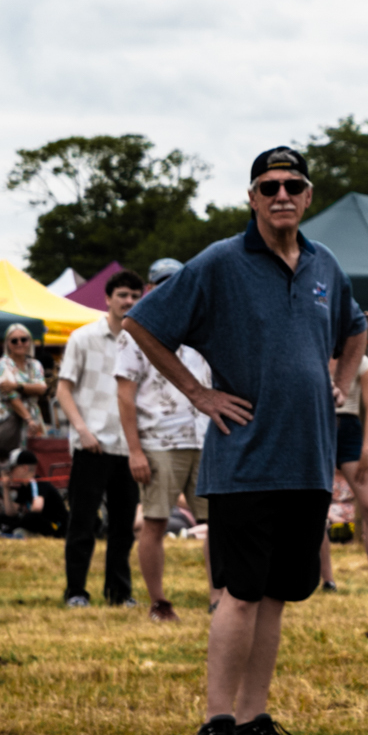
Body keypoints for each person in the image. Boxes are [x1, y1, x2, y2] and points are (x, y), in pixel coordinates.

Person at [124, 146, 367, 735]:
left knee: (279, 596)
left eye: (293, 185)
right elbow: (144, 323)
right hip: (246, 463)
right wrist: (199, 394)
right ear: (252, 198)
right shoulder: (220, 263)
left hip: (308, 460)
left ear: (308, 195)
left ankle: (255, 721)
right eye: (268, 186)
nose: (281, 195)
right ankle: (216, 727)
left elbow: (357, 326)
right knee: (238, 592)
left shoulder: (324, 264)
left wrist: (341, 378)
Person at [117, 261, 218, 619]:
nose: (168, 288)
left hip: (204, 436)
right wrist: (134, 451)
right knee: (156, 520)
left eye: (175, 282)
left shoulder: (203, 327)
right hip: (158, 439)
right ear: (150, 287)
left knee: (216, 523)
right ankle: (159, 602)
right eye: (161, 283)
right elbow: (125, 395)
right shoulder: (134, 331)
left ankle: (218, 599)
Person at [54, 270, 145, 608]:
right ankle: (75, 591)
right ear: (107, 298)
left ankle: (119, 593)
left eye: (135, 296)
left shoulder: (142, 341)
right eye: (123, 295)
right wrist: (82, 430)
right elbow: (63, 388)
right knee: (82, 522)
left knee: (123, 527)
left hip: (128, 446)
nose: (129, 302)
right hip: (91, 444)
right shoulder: (83, 337)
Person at [317, 310, 368, 593]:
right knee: (317, 510)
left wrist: (366, 448)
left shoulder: (359, 361)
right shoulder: (316, 355)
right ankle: (327, 580)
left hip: (348, 430)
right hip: (320, 430)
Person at [0, 325, 49, 456]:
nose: (19, 343)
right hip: (10, 420)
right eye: (14, 340)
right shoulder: (2, 364)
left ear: (29, 341)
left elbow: (42, 389)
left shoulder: (35, 364)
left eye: (23, 339)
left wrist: (17, 386)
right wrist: (28, 419)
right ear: (7, 344)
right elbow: (12, 397)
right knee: (10, 462)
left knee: (35, 462)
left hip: (34, 418)